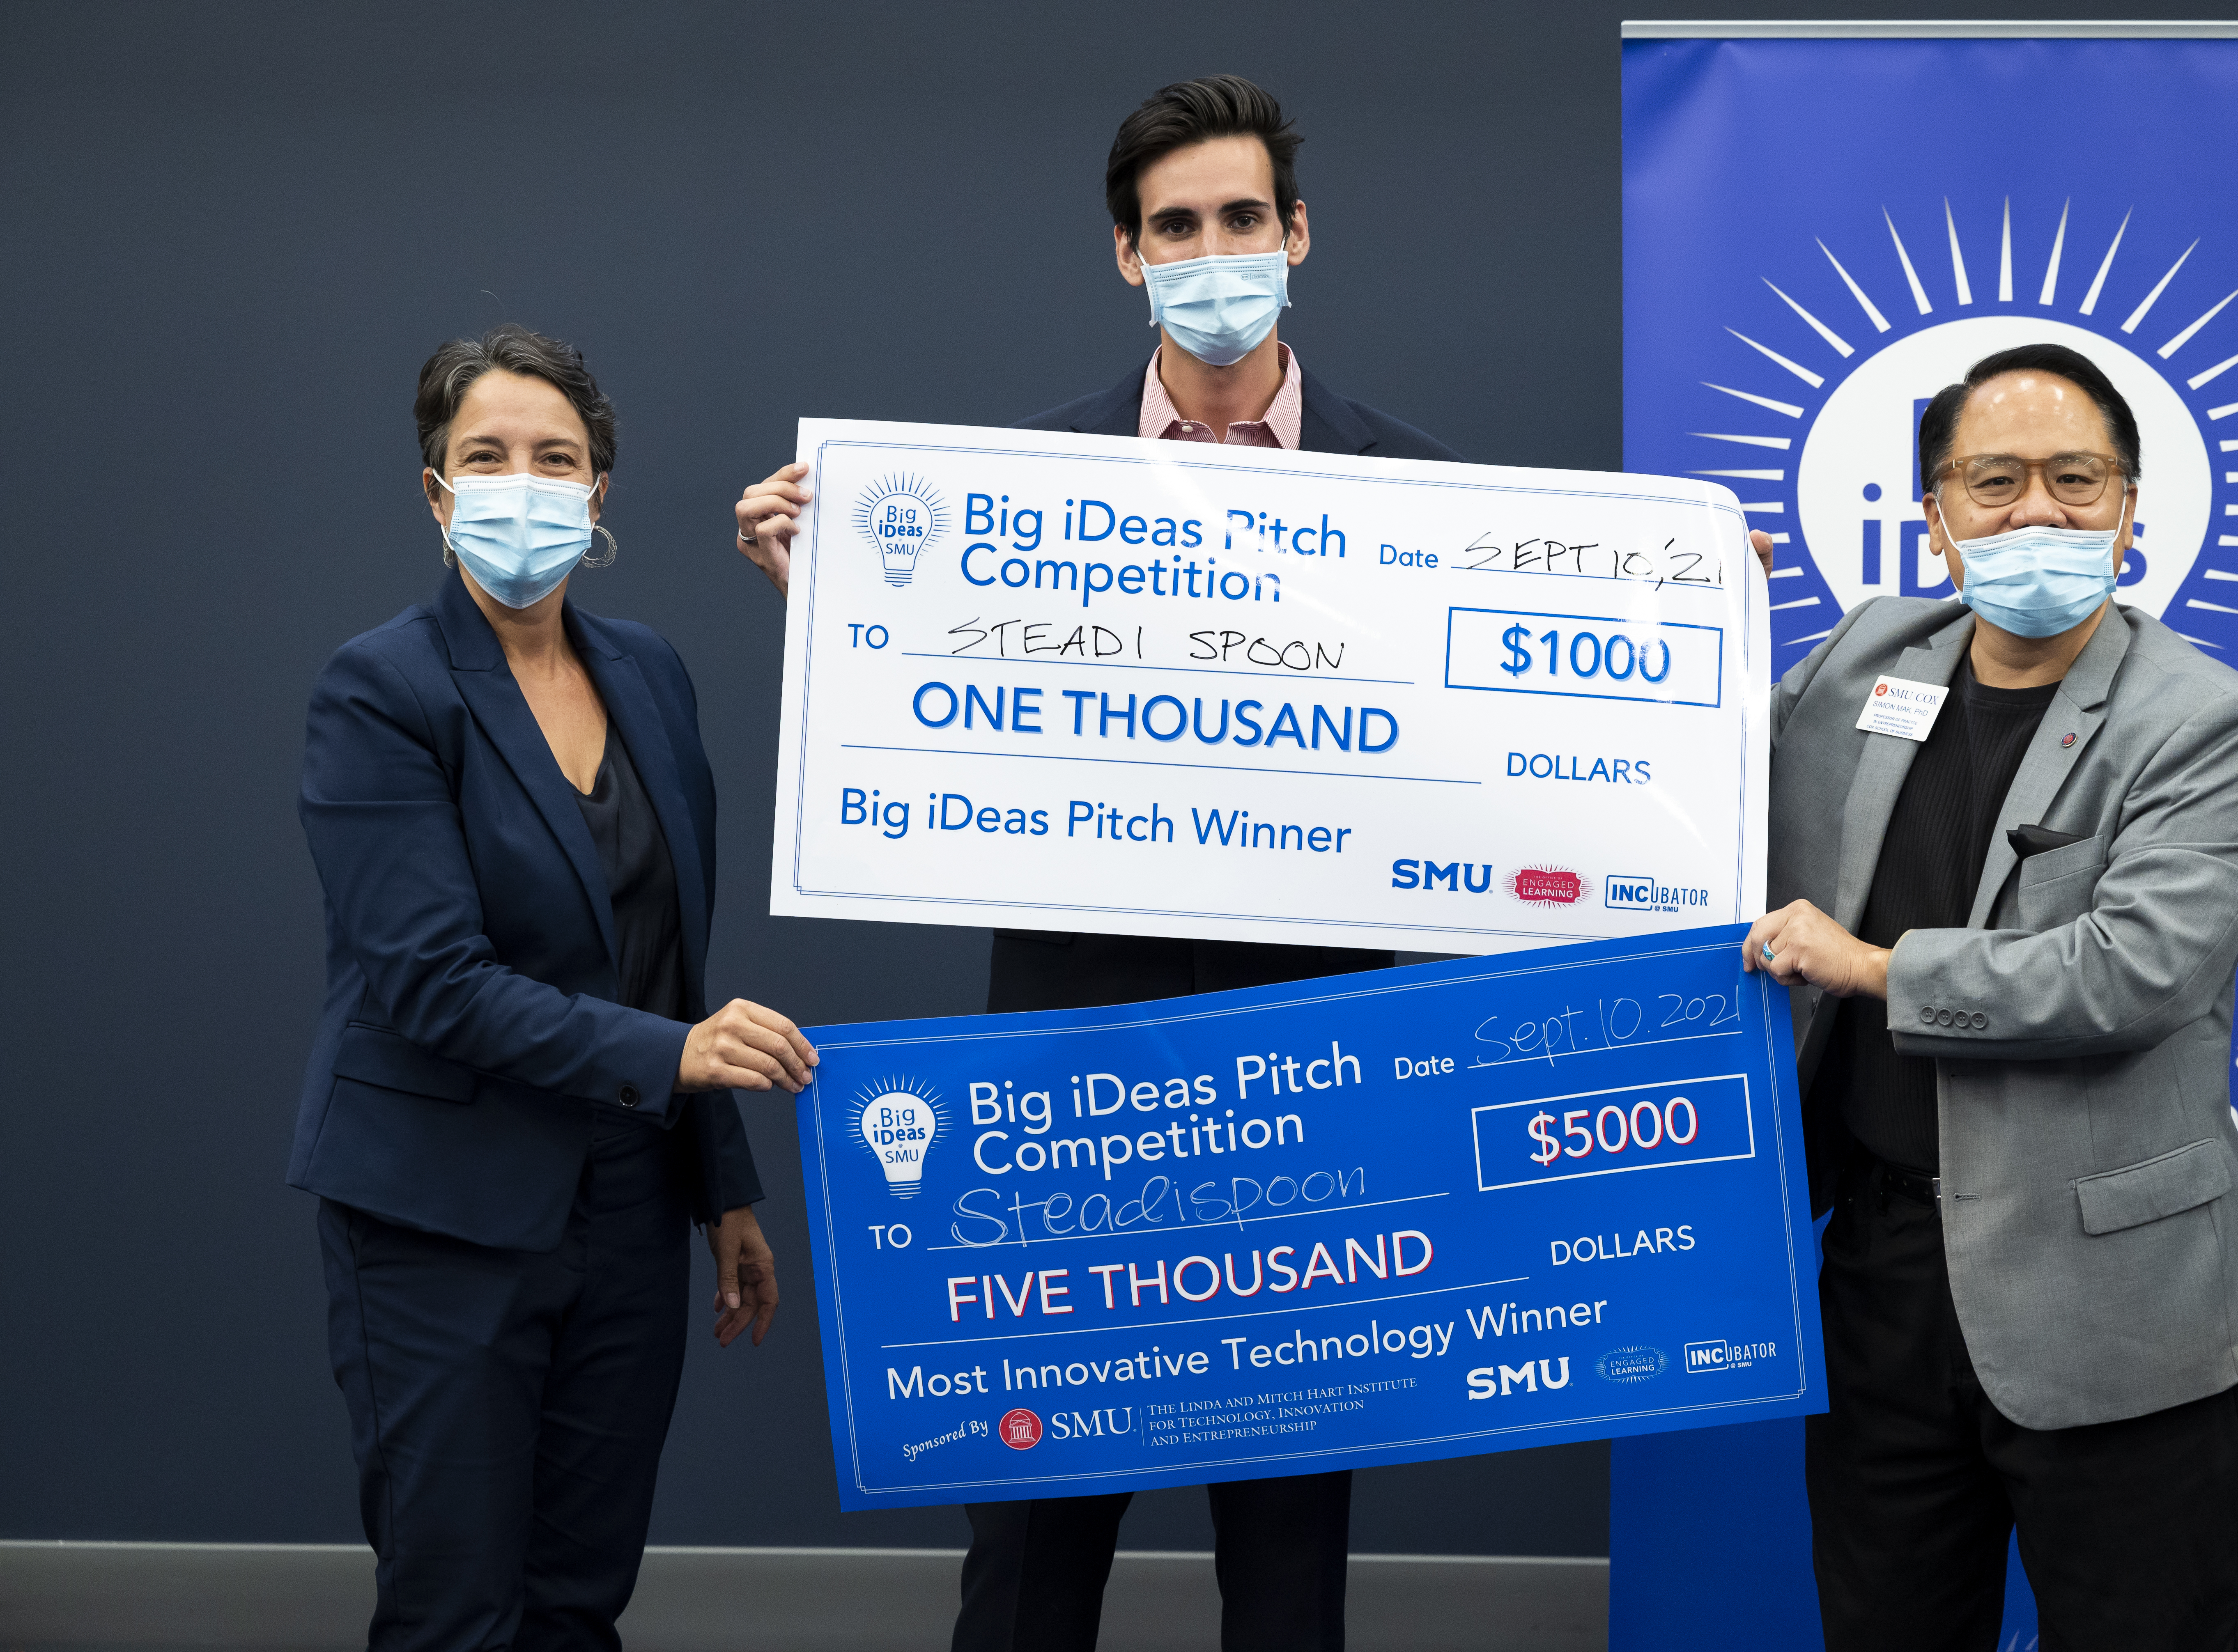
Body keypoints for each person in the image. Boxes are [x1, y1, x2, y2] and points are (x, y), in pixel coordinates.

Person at [731, 73, 1449, 1652]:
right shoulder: (1012, 493)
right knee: (1032, 1554)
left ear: (1299, 233)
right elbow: (933, 738)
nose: (1213, 253)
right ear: (1129, 255)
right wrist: (831, 603)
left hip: (1307, 1096)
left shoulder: (1425, 495)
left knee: (1288, 1561)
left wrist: (1677, 607)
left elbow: (1496, 774)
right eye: (1176, 227)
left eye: (1242, 218)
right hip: (1069, 1091)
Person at [1743, 342, 2238, 1650]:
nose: (2035, 512)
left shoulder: (2209, 721)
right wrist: (1685, 626)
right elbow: (1693, 777)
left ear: (2128, 510)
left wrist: (1875, 968)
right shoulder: (1868, 661)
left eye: (2074, 480)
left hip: (2114, 1299)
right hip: (1883, 1275)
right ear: (1935, 518)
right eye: (1994, 482)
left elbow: (2132, 971)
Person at [292, 323, 821, 1650]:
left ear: (597, 492)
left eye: (555, 458)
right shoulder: (380, 689)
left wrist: (721, 1188)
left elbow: (670, 962)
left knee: (580, 1603)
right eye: (486, 457)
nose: (520, 484)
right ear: (436, 491)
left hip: (631, 1210)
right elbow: (432, 983)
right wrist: (679, 1058)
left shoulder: (647, 671)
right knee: (456, 1612)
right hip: (442, 1218)